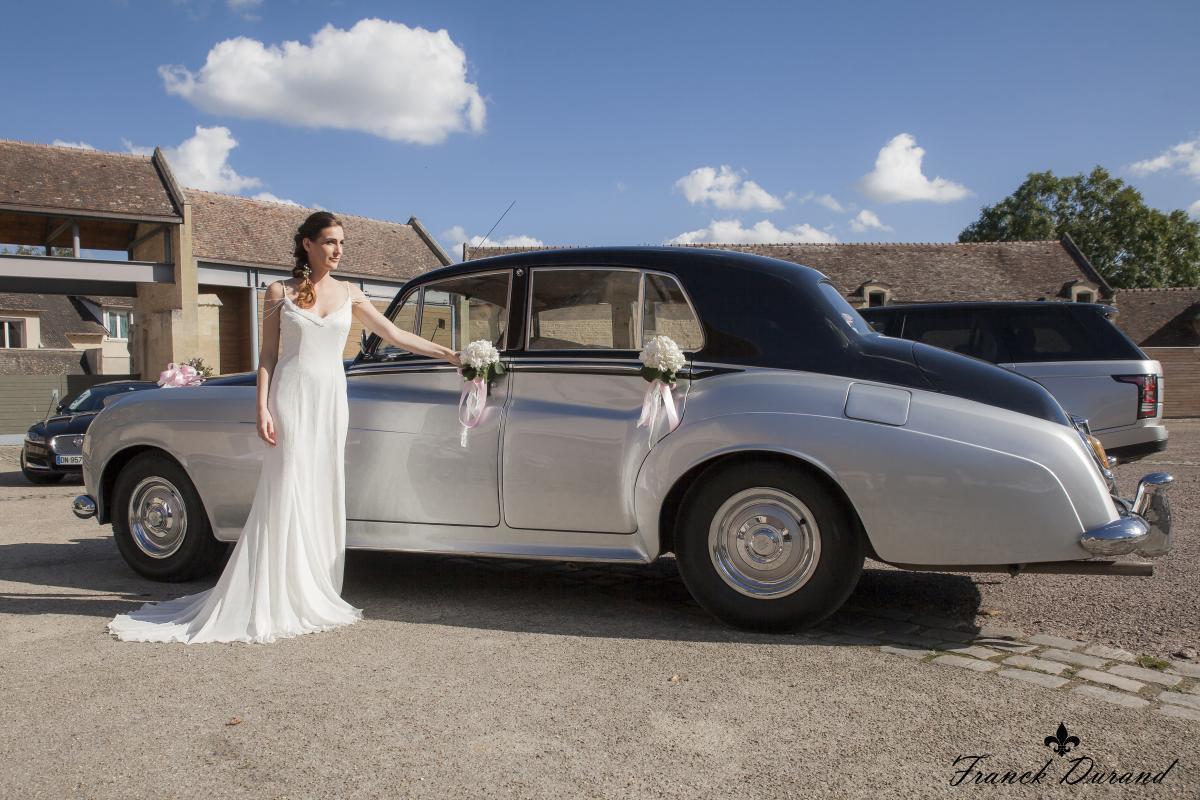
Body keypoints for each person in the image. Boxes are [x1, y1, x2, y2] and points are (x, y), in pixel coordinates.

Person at [107, 211, 461, 643]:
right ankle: (276, 591)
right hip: (290, 398)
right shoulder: (279, 291)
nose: (338, 250)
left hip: (331, 401)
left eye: (342, 243)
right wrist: (262, 407)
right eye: (330, 241)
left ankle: (314, 587)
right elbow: (268, 356)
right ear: (308, 244)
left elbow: (396, 335)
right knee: (288, 485)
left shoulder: (352, 293)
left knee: (320, 486)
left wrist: (450, 354)